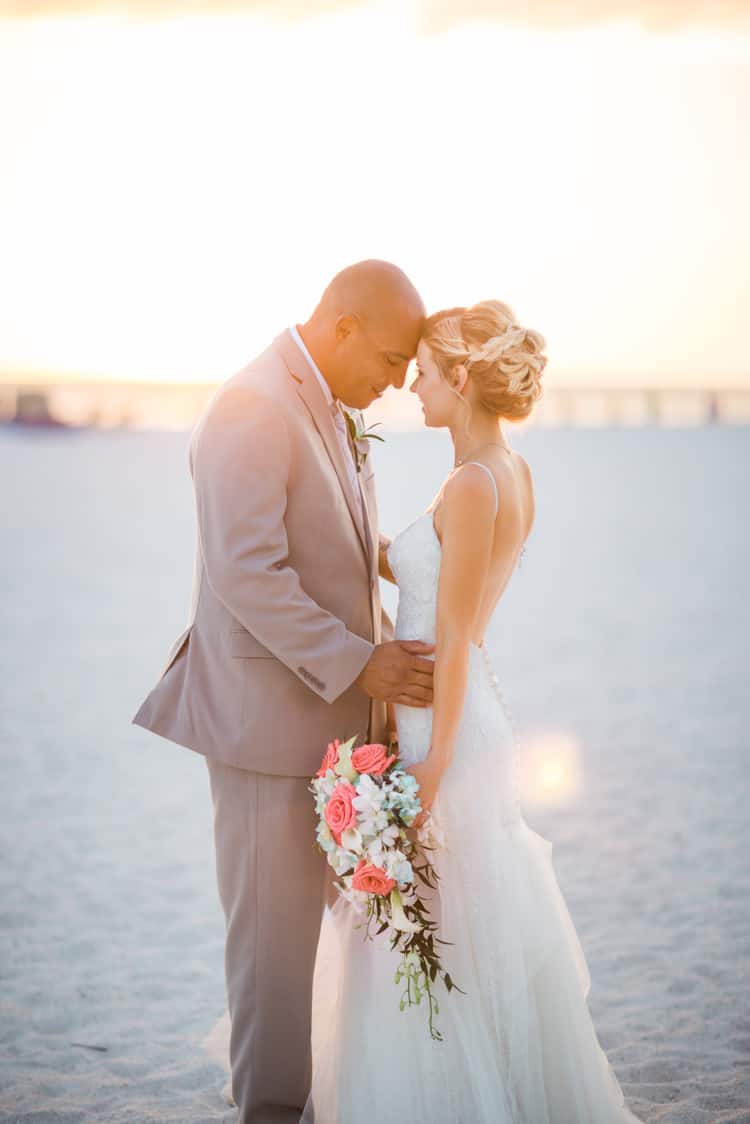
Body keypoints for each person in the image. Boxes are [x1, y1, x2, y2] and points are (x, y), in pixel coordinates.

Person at [295, 300, 645, 1122]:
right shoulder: (503, 470)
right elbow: (420, 578)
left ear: (459, 378)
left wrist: (430, 768)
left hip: (444, 725)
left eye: (422, 371)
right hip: (451, 712)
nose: (410, 385)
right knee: (446, 929)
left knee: (440, 932)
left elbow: (452, 639)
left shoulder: (476, 482)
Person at [132, 260, 436, 1124]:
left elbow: (329, 530)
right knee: (272, 961)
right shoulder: (252, 406)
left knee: (326, 956)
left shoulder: (327, 405)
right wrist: (360, 660)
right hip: (268, 736)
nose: (392, 384)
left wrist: (407, 560)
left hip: (331, 735)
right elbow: (246, 572)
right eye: (386, 360)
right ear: (341, 326)